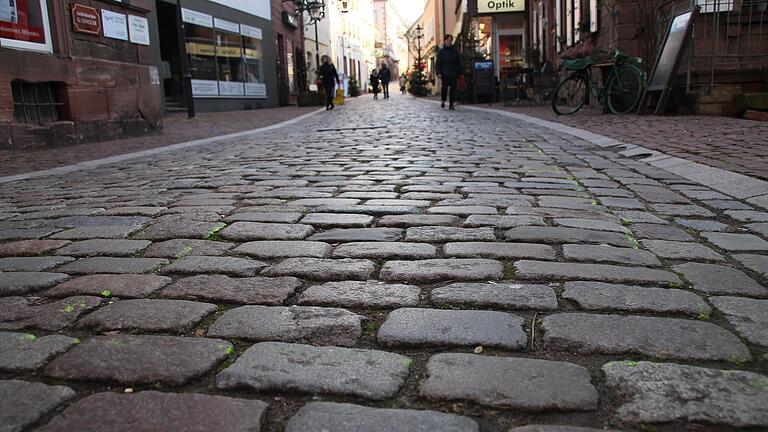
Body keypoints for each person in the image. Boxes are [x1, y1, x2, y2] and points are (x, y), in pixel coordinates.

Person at [436, 34, 461, 110]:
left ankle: (451, 104)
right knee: (445, 88)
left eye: (450, 40)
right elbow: (438, 64)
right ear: (444, 41)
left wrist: (459, 72)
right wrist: (439, 73)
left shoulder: (455, 51)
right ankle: (443, 100)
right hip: (445, 73)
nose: (448, 42)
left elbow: (458, 62)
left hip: (453, 73)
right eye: (447, 40)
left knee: (453, 89)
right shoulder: (441, 52)